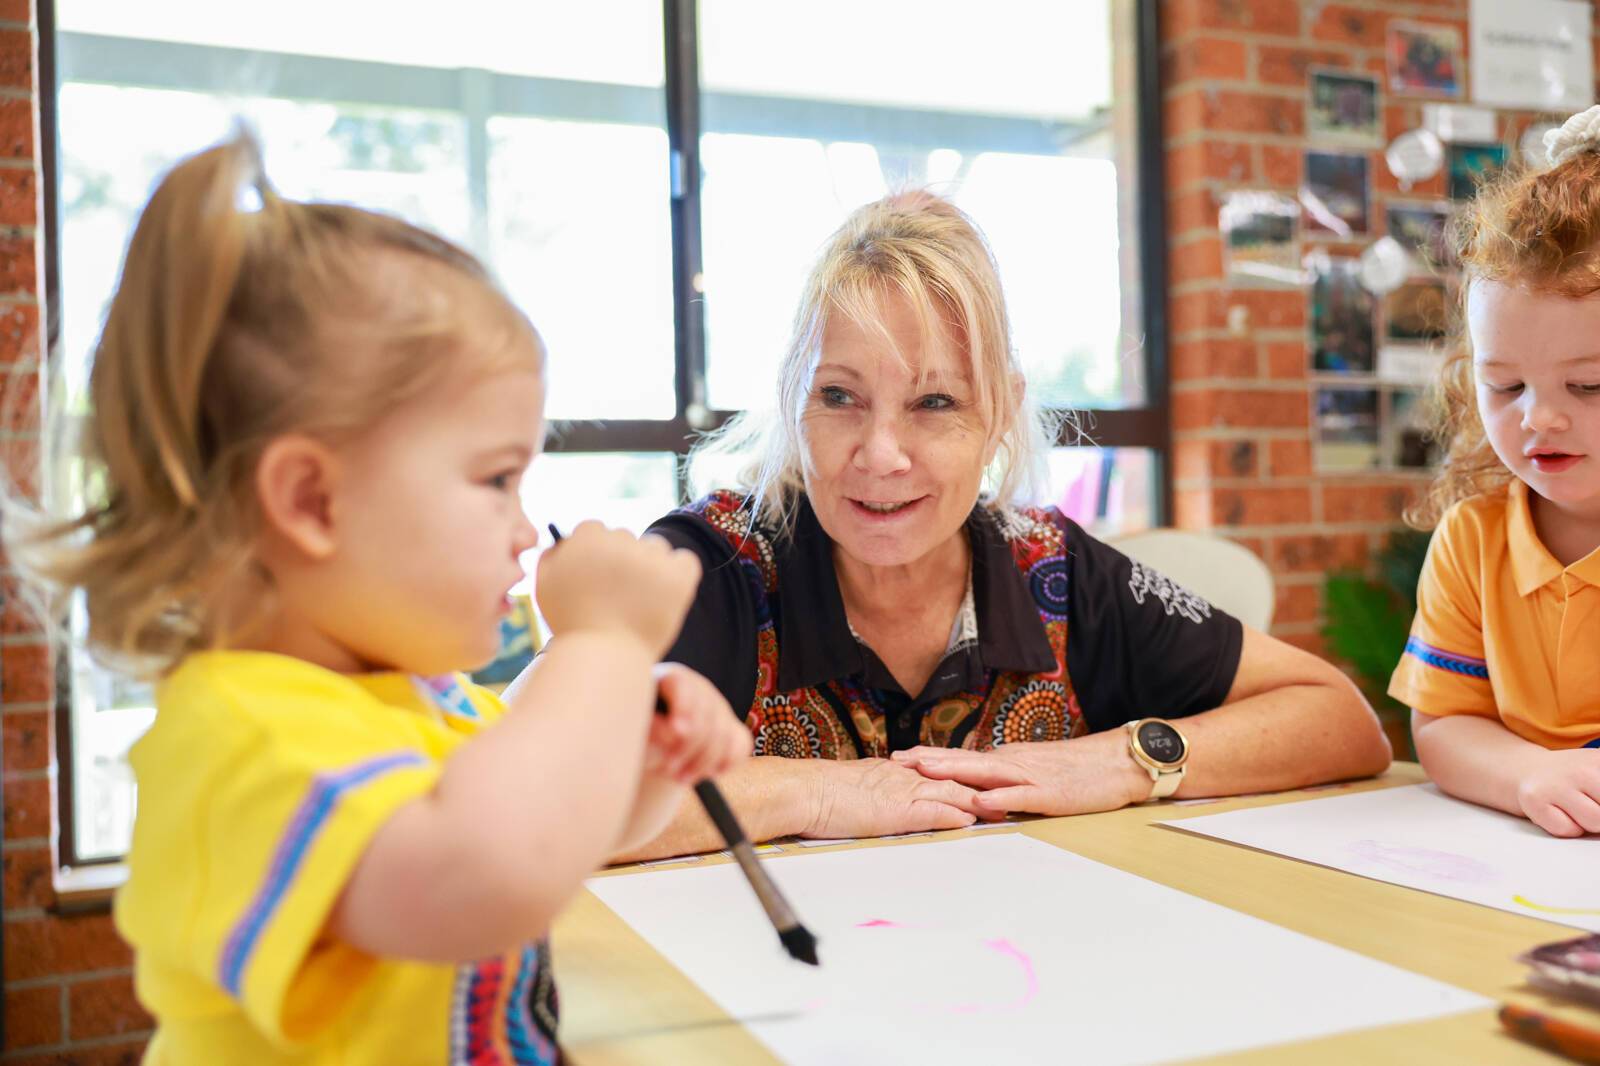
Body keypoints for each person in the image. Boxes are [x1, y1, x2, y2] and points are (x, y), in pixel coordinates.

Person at [1, 135, 750, 1064]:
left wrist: (644, 760)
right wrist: (598, 645)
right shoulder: (241, 739)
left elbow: (559, 834)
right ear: (313, 502)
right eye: (494, 480)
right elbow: (493, 873)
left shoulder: (412, 699)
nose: (528, 529)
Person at [615, 190, 1391, 861]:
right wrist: (815, 794)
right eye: (840, 397)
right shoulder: (705, 568)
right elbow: (536, 795)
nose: (881, 455)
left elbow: (1339, 720)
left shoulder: (1055, 573)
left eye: (935, 403)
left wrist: (1121, 762)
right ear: (792, 400)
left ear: (999, 416)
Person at [1390, 106, 1600, 838]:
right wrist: (1531, 775)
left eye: (1590, 386)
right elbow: (1444, 725)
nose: (1538, 419)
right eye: (1506, 387)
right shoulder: (1472, 541)